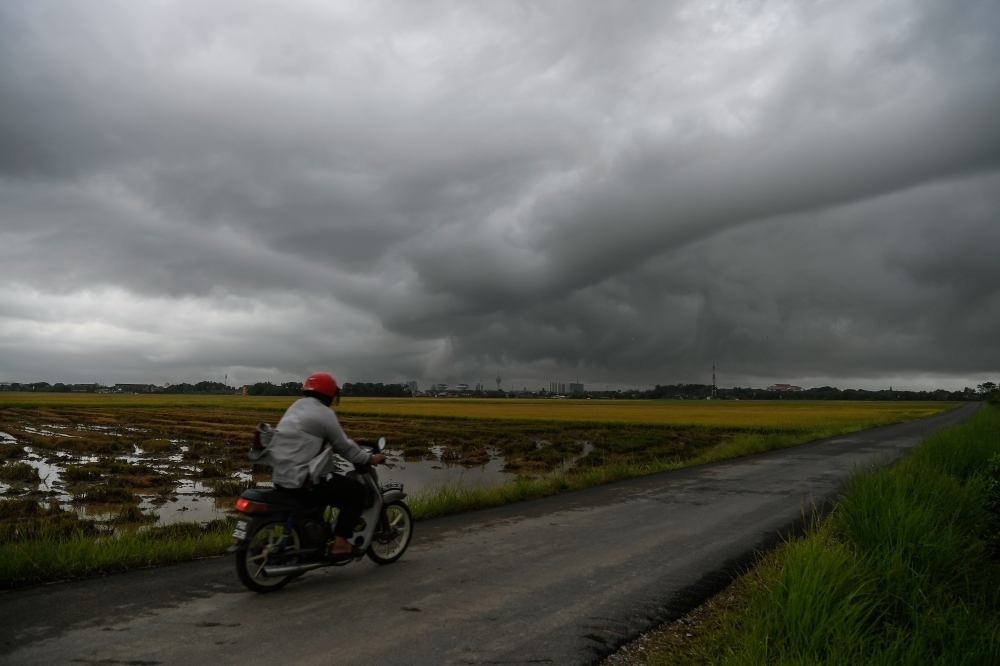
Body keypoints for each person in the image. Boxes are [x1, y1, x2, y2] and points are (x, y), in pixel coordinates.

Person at [267, 372, 386, 560]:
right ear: (330, 394)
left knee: (327, 490)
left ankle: (314, 538)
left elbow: (309, 440)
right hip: (304, 482)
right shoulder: (324, 414)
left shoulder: (297, 407)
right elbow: (344, 446)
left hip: (282, 478)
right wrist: (369, 459)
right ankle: (340, 544)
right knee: (356, 492)